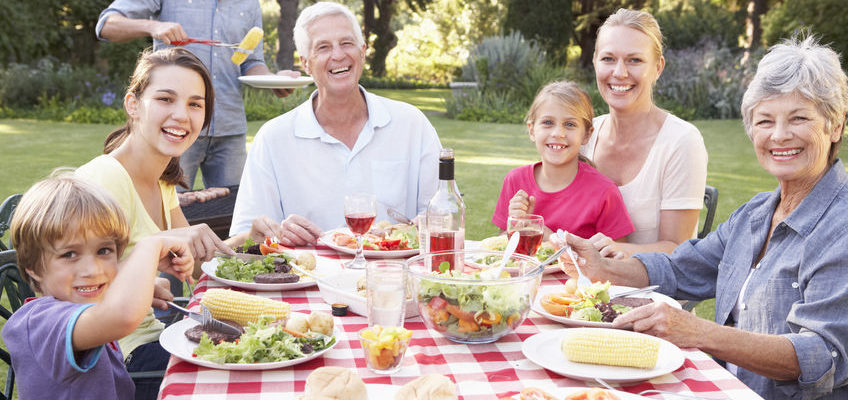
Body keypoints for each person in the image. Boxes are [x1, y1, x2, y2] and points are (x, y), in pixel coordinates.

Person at [557, 35, 848, 399]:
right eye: (765, 121)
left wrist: (696, 331)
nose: (779, 135)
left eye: (799, 118)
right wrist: (604, 268)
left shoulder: (841, 227)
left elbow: (822, 354)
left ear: (835, 126)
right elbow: (681, 269)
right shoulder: (755, 214)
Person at [76, 47, 236, 399]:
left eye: (195, 104)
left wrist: (257, 237)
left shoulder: (163, 179)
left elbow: (200, 265)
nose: (182, 115)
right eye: (166, 99)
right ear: (133, 104)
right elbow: (75, 291)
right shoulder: (104, 179)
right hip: (120, 361)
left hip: (156, 336)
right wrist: (145, 274)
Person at [229, 1, 441, 246]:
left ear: (362, 50)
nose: (338, 55)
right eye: (323, 47)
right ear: (305, 62)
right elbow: (248, 237)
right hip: (305, 280)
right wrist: (271, 234)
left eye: (346, 43)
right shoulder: (273, 138)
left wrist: (417, 227)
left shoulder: (412, 124)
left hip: (392, 276)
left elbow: (442, 214)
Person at [2, 174, 194, 399]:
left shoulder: (77, 305)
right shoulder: (42, 323)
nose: (92, 270)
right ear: (33, 266)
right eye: (69, 254)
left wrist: (135, 286)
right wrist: (149, 246)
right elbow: (121, 317)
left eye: (103, 251)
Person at [96, 0, 300, 191]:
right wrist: (153, 27)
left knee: (232, 213)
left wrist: (273, 79)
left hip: (229, 129)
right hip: (174, 129)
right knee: (165, 212)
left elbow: (251, 62)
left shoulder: (250, 4)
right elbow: (106, 25)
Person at [581, 8, 708, 257]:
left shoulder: (681, 142)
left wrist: (617, 250)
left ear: (658, 68)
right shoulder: (583, 135)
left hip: (654, 290)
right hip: (584, 285)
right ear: (595, 61)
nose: (619, 72)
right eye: (608, 58)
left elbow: (676, 249)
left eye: (634, 60)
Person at [492, 80, 634, 241]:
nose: (558, 133)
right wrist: (516, 225)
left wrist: (546, 236)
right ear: (532, 130)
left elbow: (616, 259)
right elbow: (502, 245)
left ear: (587, 134)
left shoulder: (604, 192)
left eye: (569, 124)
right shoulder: (515, 180)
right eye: (548, 122)